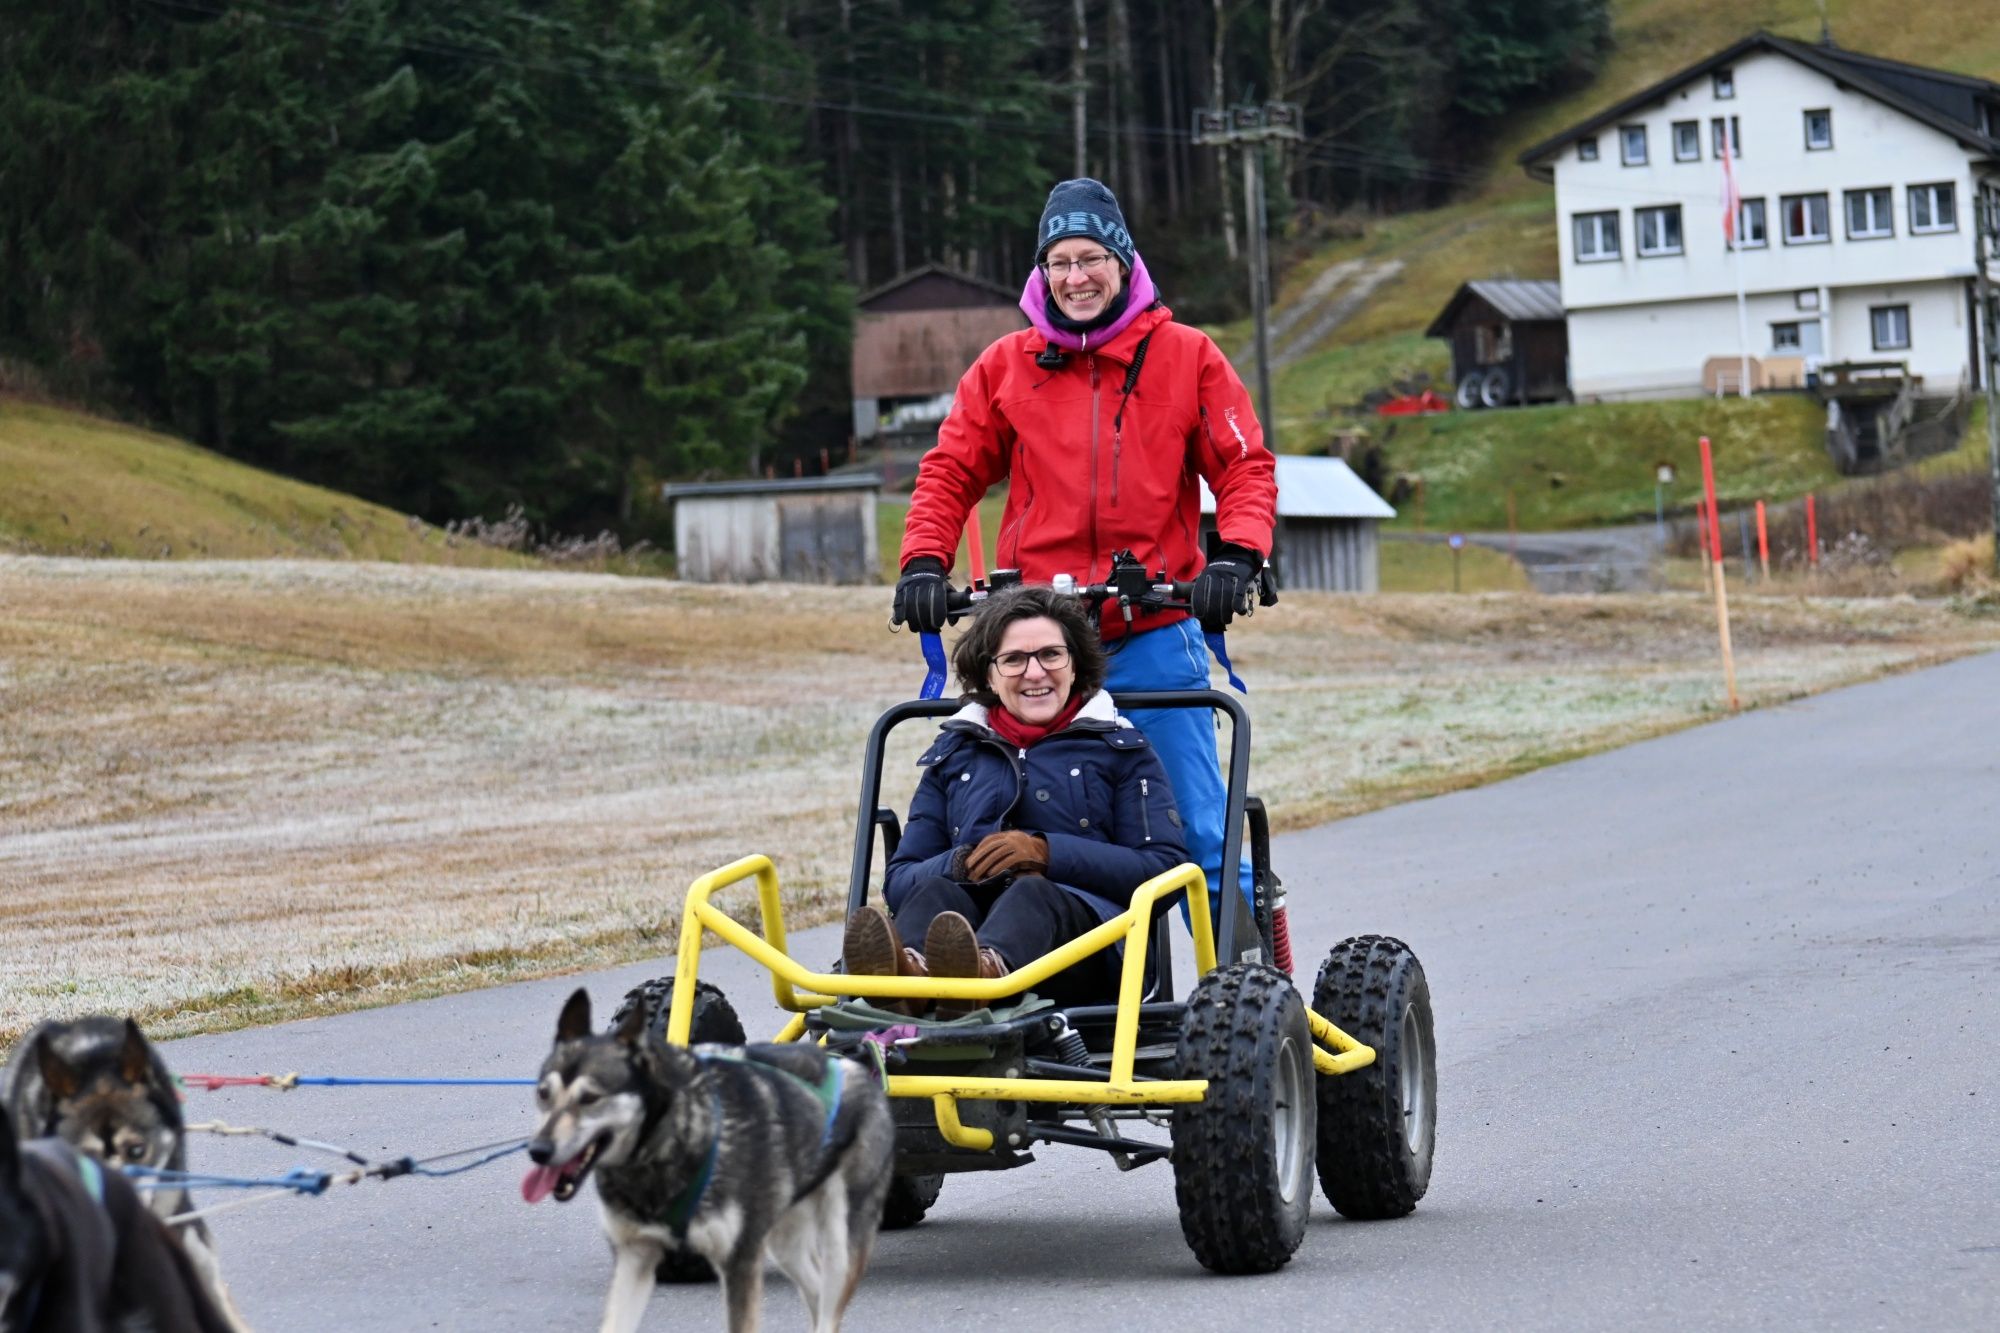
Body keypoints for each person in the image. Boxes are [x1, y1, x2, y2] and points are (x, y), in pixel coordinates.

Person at [890, 176, 1276, 912]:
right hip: (1038, 642)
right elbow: (949, 471)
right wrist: (924, 564)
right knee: (1002, 825)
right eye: (1060, 262)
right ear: (1042, 272)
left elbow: (1245, 467)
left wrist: (1237, 556)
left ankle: (1240, 975)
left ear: (1123, 263)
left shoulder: (1188, 356)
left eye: (1092, 258)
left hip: (1152, 629)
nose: (1076, 278)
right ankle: (992, 953)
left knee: (1200, 832)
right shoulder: (1005, 365)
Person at [847, 584, 1187, 1017]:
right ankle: (908, 980)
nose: (1035, 672)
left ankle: (979, 978)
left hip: (1089, 953)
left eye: (1051, 655)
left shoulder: (1123, 751)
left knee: (1033, 893)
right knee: (934, 890)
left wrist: (1048, 854)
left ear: (1075, 664)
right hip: (964, 926)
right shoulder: (954, 755)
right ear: (988, 675)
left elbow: (1165, 871)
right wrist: (958, 863)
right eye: (1013, 660)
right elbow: (899, 881)